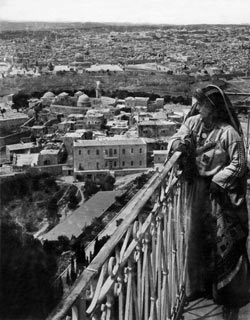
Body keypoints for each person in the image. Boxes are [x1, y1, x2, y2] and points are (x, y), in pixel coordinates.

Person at [168, 85, 250, 317]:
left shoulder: (228, 133)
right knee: (198, 239)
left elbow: (239, 163)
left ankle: (228, 295)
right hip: (198, 192)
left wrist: (219, 179)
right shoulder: (193, 123)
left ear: (215, 109)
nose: (199, 107)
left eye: (204, 104)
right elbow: (178, 136)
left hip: (221, 196)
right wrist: (179, 145)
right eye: (199, 103)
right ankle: (201, 289)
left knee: (224, 245)